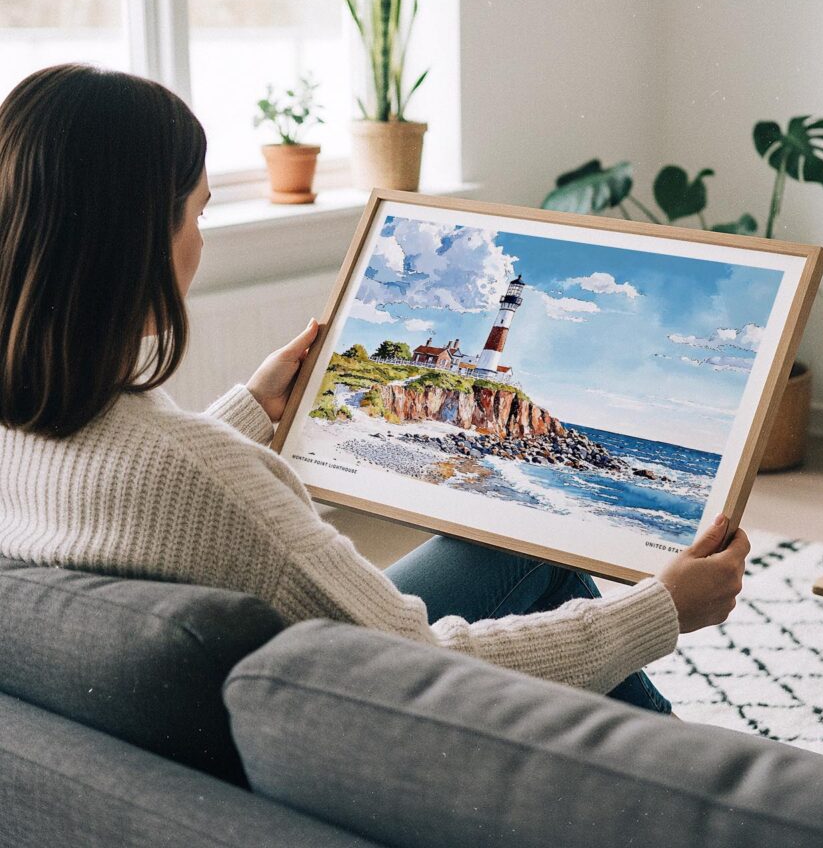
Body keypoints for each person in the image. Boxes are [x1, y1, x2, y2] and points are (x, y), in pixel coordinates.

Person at [0, 64, 749, 715]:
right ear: (135, 242)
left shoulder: (29, 429)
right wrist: (660, 609)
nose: (203, 239)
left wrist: (250, 412)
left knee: (509, 550)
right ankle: (695, 784)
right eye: (198, 213)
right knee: (550, 573)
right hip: (358, 711)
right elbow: (419, 666)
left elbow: (137, 484)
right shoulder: (206, 479)